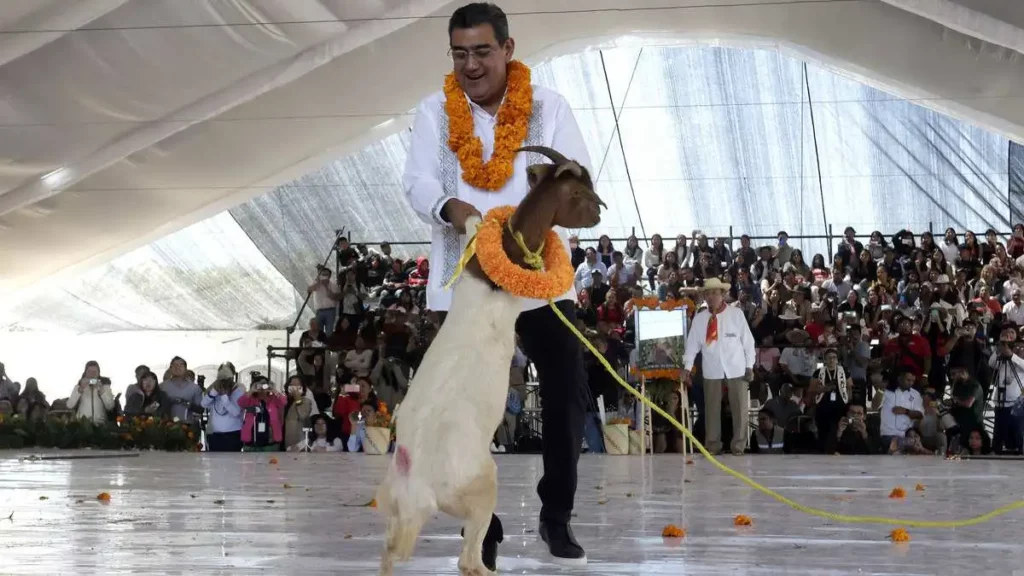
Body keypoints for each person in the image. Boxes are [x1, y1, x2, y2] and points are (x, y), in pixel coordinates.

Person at [402, 2, 592, 565]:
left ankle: (556, 515)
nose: (471, 65)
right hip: (467, 282)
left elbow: (575, 180)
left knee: (566, 394)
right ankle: (483, 524)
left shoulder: (549, 107)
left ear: (508, 49)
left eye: (482, 51)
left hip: (539, 281)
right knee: (462, 407)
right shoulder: (434, 111)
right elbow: (414, 182)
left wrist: (537, 213)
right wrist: (455, 209)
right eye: (460, 54)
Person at [683, 277, 755, 456]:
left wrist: (750, 365)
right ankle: (713, 446)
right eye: (708, 293)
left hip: (736, 368)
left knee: (740, 409)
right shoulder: (700, 319)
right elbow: (692, 346)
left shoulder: (736, 314)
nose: (711, 297)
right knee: (711, 410)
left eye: (715, 293)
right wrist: (687, 367)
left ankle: (738, 446)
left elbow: (748, 342)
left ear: (723, 295)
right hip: (711, 369)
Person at [201, 363, 246, 452]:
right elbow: (203, 404)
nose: (224, 382)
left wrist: (224, 397)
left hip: (232, 436)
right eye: (221, 380)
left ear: (232, 377)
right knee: (215, 464)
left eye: (226, 379)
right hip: (215, 435)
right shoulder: (215, 389)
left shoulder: (238, 390)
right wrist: (213, 392)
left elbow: (236, 412)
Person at [879, 367, 924, 449]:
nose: (911, 383)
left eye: (913, 381)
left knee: (912, 442)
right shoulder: (887, 392)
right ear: (899, 378)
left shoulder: (915, 394)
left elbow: (920, 415)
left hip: (907, 434)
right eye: (908, 380)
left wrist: (906, 411)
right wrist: (881, 389)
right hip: (888, 435)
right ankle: (925, 452)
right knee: (912, 444)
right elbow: (874, 406)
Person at [238, 377, 286, 451]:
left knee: (270, 461)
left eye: (264, 385)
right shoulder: (250, 398)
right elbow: (240, 403)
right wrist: (251, 391)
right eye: (258, 385)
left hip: (270, 441)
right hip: (251, 441)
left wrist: (274, 390)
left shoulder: (274, 398)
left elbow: (284, 401)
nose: (261, 388)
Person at [161, 356, 203, 424]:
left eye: (181, 365)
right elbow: (156, 406)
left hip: (189, 428)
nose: (177, 367)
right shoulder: (162, 386)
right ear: (170, 369)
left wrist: (187, 403)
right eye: (174, 365)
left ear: (185, 369)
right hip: (167, 427)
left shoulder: (195, 388)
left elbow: (200, 409)